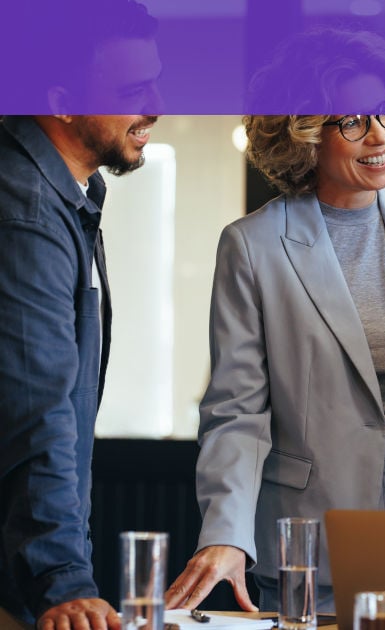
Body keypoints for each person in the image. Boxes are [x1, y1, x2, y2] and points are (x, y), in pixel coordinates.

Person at [164, 28, 385, 613]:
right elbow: (236, 411)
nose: (380, 137)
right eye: (351, 121)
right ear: (305, 136)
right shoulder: (253, 246)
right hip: (310, 534)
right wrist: (226, 532)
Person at [0, 1, 161, 627]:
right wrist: (62, 579)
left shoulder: (70, 194)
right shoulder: (27, 212)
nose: (154, 108)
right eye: (131, 90)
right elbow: (33, 409)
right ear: (61, 100)